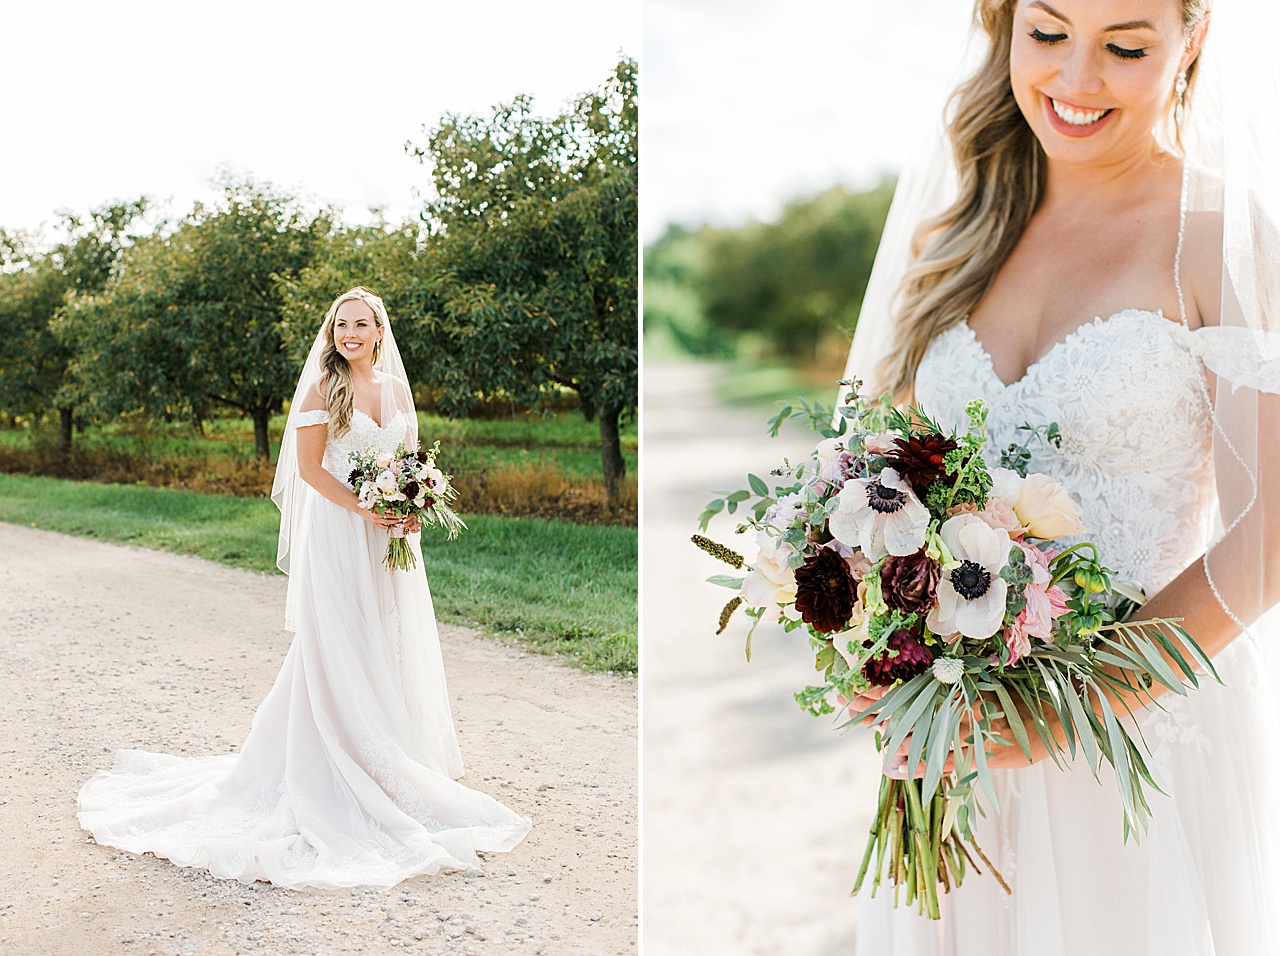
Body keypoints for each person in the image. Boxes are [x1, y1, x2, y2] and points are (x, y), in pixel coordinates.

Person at [841, 0, 1280, 951]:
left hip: (1138, 728)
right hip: (955, 734)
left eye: (1124, 46)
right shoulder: (953, 236)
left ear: (1191, 39)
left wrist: (1074, 706)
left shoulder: (1217, 233)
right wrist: (871, 635)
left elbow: (1270, 536)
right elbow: (881, 483)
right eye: (1047, 35)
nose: (1076, 81)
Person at [77, 287, 531, 890]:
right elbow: (310, 470)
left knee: (386, 637)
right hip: (343, 532)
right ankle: (336, 762)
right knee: (340, 640)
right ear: (332, 331)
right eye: (341, 324)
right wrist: (366, 507)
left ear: (377, 330)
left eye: (360, 324)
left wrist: (414, 501)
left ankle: (391, 752)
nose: (350, 333)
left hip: (389, 535)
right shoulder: (323, 387)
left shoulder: (395, 388)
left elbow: (408, 456)